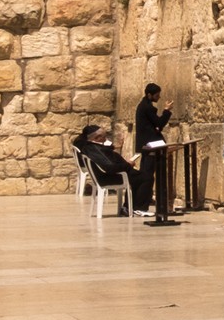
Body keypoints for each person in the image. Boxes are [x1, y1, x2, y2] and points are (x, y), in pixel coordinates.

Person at [135, 82, 181, 226]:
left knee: (145, 176)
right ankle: (141, 207)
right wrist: (167, 110)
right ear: (150, 95)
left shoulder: (144, 106)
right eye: (157, 95)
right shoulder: (147, 108)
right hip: (150, 147)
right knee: (147, 177)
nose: (159, 97)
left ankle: (142, 204)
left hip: (147, 146)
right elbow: (160, 123)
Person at [74, 123, 137, 213]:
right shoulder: (93, 149)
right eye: (103, 137)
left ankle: (131, 206)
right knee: (143, 178)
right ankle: (134, 207)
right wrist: (127, 165)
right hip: (109, 177)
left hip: (108, 174)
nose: (105, 139)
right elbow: (109, 167)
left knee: (140, 176)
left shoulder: (91, 146)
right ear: (97, 138)